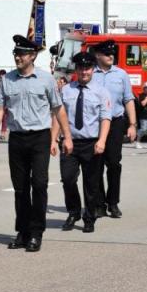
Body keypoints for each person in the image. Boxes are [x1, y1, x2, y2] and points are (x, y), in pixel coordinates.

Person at [0, 35, 72, 253]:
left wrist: (66, 137)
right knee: (20, 188)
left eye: (22, 53)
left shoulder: (45, 80)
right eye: (16, 53)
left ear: (32, 56)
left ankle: (36, 232)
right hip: (17, 138)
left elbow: (58, 109)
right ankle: (23, 232)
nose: (18, 57)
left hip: (40, 137)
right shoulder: (8, 80)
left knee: (39, 184)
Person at [58, 52, 111, 233]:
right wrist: (53, 140)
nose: (84, 72)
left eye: (87, 68)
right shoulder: (66, 90)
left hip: (92, 143)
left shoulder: (102, 92)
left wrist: (102, 140)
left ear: (93, 69)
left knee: (91, 183)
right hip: (69, 142)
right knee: (68, 179)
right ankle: (74, 212)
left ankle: (90, 216)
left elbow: (105, 118)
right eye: (80, 68)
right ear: (76, 69)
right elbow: (58, 116)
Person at [90, 40, 137, 218]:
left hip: (116, 122)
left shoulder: (121, 74)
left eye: (112, 53)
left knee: (114, 164)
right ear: (97, 55)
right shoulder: (90, 73)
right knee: (96, 165)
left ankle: (113, 202)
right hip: (95, 123)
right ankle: (99, 203)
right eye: (106, 53)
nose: (111, 56)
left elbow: (128, 99)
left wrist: (132, 125)